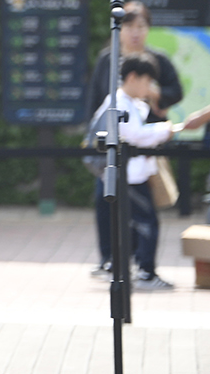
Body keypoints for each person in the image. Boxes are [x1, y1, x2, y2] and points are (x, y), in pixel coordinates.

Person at [89, 52, 210, 290]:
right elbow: (135, 135)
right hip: (128, 176)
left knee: (138, 223)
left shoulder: (127, 102)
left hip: (133, 174)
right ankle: (145, 272)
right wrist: (169, 129)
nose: (150, 88)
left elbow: (139, 128)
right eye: (148, 81)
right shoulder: (119, 103)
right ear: (133, 77)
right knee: (147, 223)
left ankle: (134, 268)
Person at [84, 1, 183, 276]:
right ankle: (110, 259)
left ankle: (141, 263)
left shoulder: (157, 60)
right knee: (106, 202)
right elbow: (94, 99)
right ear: (119, 28)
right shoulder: (108, 58)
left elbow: (175, 91)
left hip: (144, 148)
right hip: (111, 148)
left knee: (142, 209)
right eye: (128, 26)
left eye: (141, 26)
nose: (135, 32)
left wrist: (153, 94)